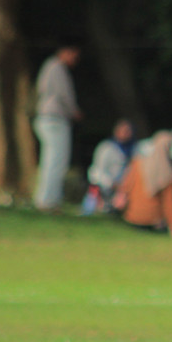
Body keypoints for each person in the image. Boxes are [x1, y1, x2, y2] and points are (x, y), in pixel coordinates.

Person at [32, 40, 83, 212]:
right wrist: (74, 111)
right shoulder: (57, 67)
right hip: (54, 119)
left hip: (46, 118)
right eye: (74, 55)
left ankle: (46, 199)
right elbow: (64, 94)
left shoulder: (49, 66)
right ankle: (48, 201)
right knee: (56, 161)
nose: (75, 60)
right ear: (65, 52)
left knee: (50, 160)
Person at [113, 131, 172, 238]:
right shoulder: (169, 174)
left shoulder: (137, 163)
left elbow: (125, 186)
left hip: (132, 218)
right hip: (154, 221)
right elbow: (169, 203)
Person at [82, 119, 135, 215]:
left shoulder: (134, 149)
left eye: (128, 131)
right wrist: (112, 183)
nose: (126, 134)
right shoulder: (106, 147)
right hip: (105, 185)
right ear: (117, 131)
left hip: (124, 186)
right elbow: (98, 171)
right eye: (124, 131)